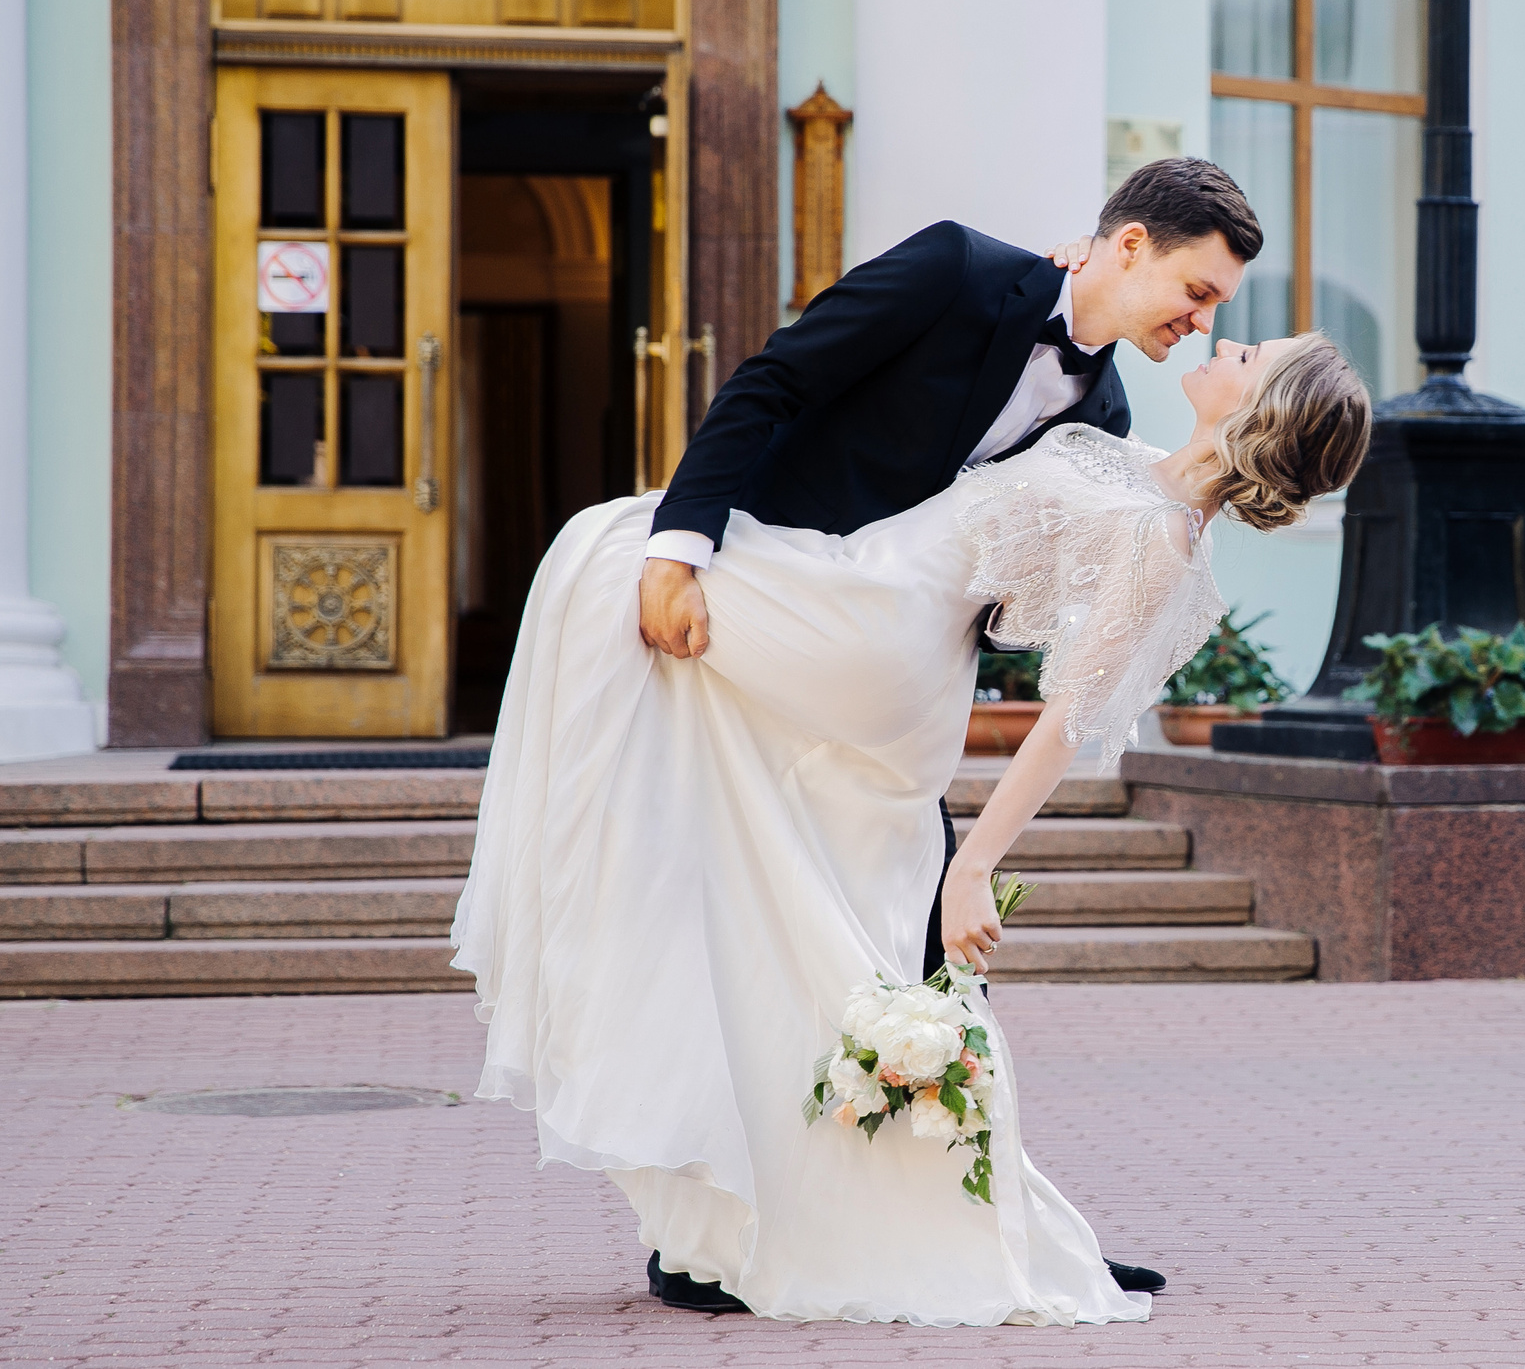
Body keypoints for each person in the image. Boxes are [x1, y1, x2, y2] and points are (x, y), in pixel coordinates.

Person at [452, 168, 1373, 1327]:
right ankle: (795, 1221)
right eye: (1197, 291)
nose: (1207, 323)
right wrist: (687, 547)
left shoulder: (1119, 436)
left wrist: (978, 854)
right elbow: (778, 385)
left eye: (1230, 323)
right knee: (811, 924)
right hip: (839, 603)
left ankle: (948, 1221)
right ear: (1127, 245)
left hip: (874, 641)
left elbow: (1046, 657)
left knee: (597, 554)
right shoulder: (966, 282)